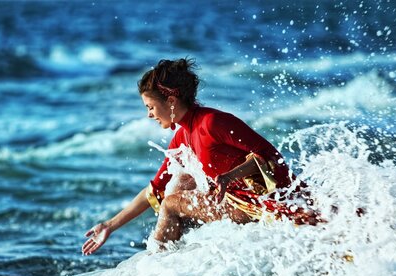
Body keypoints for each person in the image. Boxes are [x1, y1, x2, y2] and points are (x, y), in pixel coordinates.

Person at [82, 58, 317, 256]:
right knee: (180, 184)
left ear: (171, 101)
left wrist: (229, 177)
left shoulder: (213, 122)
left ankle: (159, 268)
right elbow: (155, 189)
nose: (149, 115)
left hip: (264, 205)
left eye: (150, 107)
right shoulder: (183, 136)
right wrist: (110, 225)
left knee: (172, 203)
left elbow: (269, 157)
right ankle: (178, 265)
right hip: (237, 205)